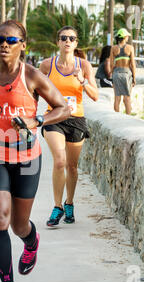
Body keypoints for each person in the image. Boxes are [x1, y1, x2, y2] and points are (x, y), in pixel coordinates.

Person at [0, 20, 70, 282]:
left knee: (18, 225)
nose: (4, 44)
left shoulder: (33, 76)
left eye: (11, 40)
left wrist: (35, 119)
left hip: (26, 159)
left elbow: (63, 108)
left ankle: (31, 241)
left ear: (22, 45)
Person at [39, 26, 98, 227]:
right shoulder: (47, 65)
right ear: (58, 42)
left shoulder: (84, 65)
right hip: (54, 118)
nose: (67, 41)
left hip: (76, 120)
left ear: (76, 43)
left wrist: (83, 81)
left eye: (71, 38)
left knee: (72, 167)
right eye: (63, 38)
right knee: (59, 161)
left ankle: (69, 203)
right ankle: (57, 207)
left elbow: (95, 95)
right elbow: (34, 90)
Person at [109, 28, 136, 115]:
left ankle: (116, 118)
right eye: (127, 36)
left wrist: (112, 76)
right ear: (125, 37)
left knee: (117, 98)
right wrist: (134, 78)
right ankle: (128, 118)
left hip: (116, 73)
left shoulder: (113, 48)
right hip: (126, 73)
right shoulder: (130, 48)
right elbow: (132, 64)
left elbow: (111, 65)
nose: (128, 37)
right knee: (127, 98)